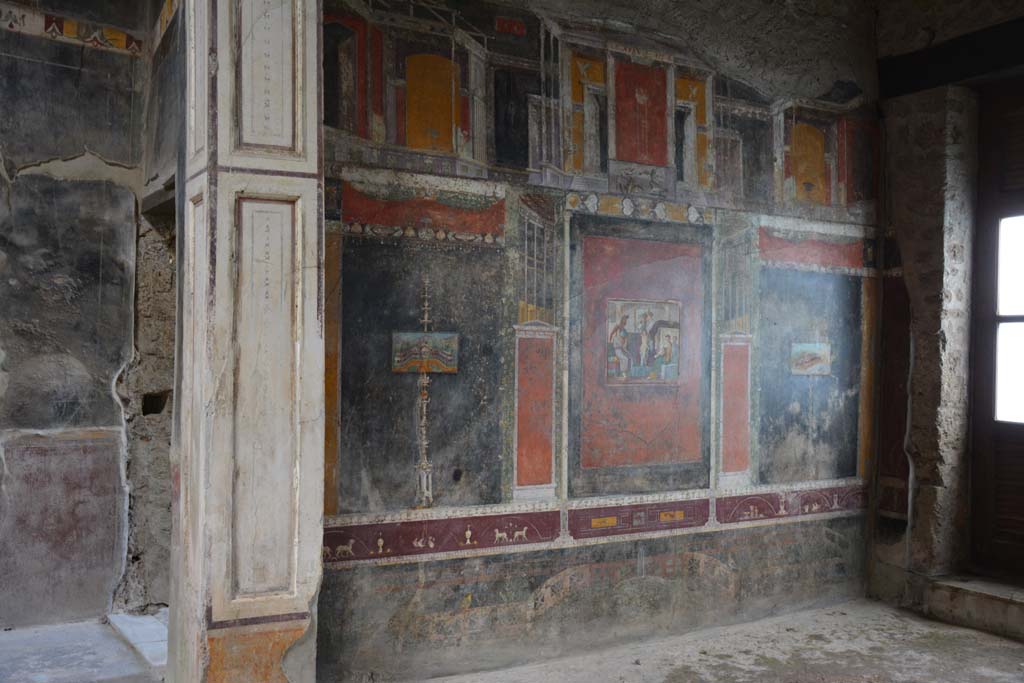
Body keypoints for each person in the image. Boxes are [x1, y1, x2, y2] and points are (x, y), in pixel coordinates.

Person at [609, 314, 630, 378]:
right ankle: (623, 373)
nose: (625, 320)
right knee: (625, 359)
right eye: (624, 319)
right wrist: (610, 341)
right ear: (622, 320)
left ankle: (623, 373)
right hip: (617, 348)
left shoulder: (625, 330)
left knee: (628, 357)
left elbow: (626, 339)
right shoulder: (617, 326)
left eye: (626, 320)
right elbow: (611, 333)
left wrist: (625, 345)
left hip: (622, 348)